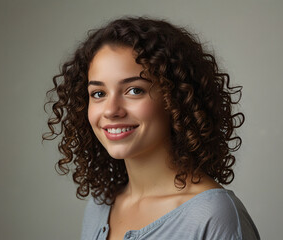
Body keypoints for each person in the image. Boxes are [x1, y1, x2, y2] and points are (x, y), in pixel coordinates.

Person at [43, 17, 260, 240]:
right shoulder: (99, 207)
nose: (111, 110)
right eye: (99, 94)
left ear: (176, 98)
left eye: (134, 90)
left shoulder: (213, 216)